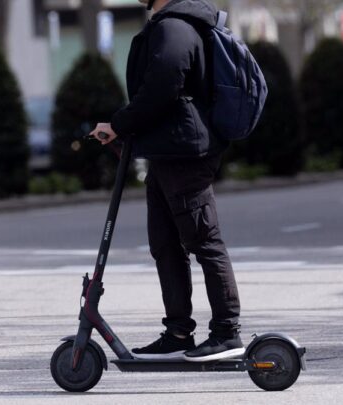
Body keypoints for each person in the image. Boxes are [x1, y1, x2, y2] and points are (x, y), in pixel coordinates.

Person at [90, 0, 243, 362]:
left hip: (185, 153)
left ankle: (227, 333)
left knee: (203, 241)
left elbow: (163, 85)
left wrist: (120, 124)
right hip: (166, 151)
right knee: (165, 244)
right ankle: (178, 332)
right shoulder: (171, 24)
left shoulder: (175, 27)